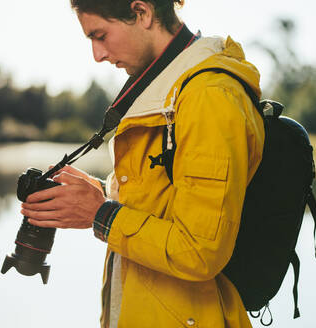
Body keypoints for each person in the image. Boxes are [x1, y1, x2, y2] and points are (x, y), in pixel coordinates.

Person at [21, 1, 264, 327]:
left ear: (142, 12)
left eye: (100, 35)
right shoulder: (170, 88)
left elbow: (199, 251)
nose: (97, 54)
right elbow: (165, 206)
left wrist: (99, 214)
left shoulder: (209, 96)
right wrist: (102, 197)